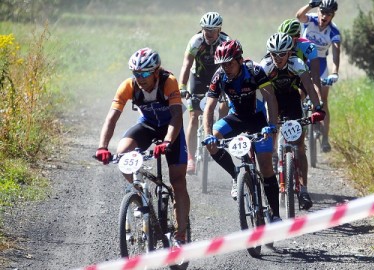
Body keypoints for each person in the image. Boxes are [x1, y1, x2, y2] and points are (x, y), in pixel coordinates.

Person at [95, 48, 190, 244]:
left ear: (156, 71)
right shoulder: (128, 86)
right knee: (122, 154)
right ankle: (139, 197)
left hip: (171, 128)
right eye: (137, 73)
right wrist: (102, 146)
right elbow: (111, 118)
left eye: (145, 73)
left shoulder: (168, 81)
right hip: (147, 125)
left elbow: (176, 116)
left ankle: (181, 234)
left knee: (178, 180)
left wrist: (167, 142)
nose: (140, 78)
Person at [202, 40, 282, 221]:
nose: (226, 67)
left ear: (239, 59)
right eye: (222, 64)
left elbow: (271, 99)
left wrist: (272, 125)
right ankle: (236, 175)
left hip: (257, 119)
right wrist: (208, 135)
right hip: (236, 118)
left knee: (266, 166)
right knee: (213, 143)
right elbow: (209, 108)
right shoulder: (219, 76)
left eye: (229, 63)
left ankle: (276, 215)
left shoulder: (254, 71)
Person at [261, 32, 325, 210]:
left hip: (292, 100)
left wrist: (318, 107)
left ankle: (303, 189)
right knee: (270, 132)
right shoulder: (265, 66)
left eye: (282, 54)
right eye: (274, 53)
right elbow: (260, 95)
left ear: (290, 53)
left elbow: (309, 86)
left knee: (299, 146)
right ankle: (273, 156)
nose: (278, 58)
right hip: (272, 99)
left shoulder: (297, 64)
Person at [179, 11, 231, 174]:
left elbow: (233, 65)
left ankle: (218, 135)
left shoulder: (226, 41)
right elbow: (186, 65)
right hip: (199, 78)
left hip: (219, 76)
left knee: (224, 107)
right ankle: (191, 159)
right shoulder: (196, 41)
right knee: (194, 118)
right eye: (205, 29)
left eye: (212, 30)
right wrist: (182, 87)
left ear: (219, 29)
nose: (208, 33)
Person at [296, 0, 341, 152]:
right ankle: (297, 126)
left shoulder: (334, 31)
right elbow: (298, 16)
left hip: (320, 64)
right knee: (299, 96)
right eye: (322, 12)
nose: (324, 16)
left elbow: (336, 54)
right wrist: (311, 4)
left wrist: (334, 72)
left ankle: (325, 138)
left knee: (323, 101)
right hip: (303, 60)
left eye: (329, 14)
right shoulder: (311, 20)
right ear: (318, 12)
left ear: (333, 16)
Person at [277, 18, 322, 102]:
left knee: (297, 98)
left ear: (297, 37)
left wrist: (319, 97)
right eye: (282, 36)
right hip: (283, 75)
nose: (284, 40)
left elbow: (315, 75)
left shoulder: (308, 46)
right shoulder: (276, 44)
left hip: (301, 75)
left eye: (289, 37)